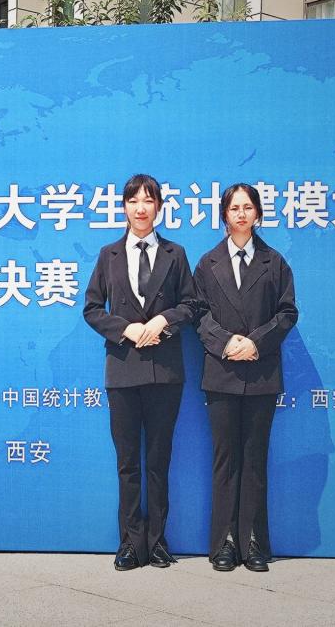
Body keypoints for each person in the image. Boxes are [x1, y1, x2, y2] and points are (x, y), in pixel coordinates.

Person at [83, 173, 199, 571]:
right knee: (128, 462)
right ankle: (131, 543)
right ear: (124, 207)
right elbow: (92, 308)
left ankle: (158, 541)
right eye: (133, 201)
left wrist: (164, 321)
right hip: (123, 371)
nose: (141, 208)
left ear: (159, 207)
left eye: (148, 200)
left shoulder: (175, 254)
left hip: (165, 373)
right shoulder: (109, 255)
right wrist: (125, 329)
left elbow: (192, 305)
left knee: (159, 461)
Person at [193, 183, 298, 573]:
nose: (241, 214)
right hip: (221, 373)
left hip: (261, 372)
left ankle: (254, 541)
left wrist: (255, 343)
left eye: (248, 207)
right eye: (234, 207)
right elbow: (198, 314)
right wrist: (227, 342)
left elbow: (287, 313)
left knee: (254, 459)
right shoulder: (207, 263)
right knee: (225, 460)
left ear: (258, 214)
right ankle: (225, 541)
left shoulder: (275, 262)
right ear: (224, 214)